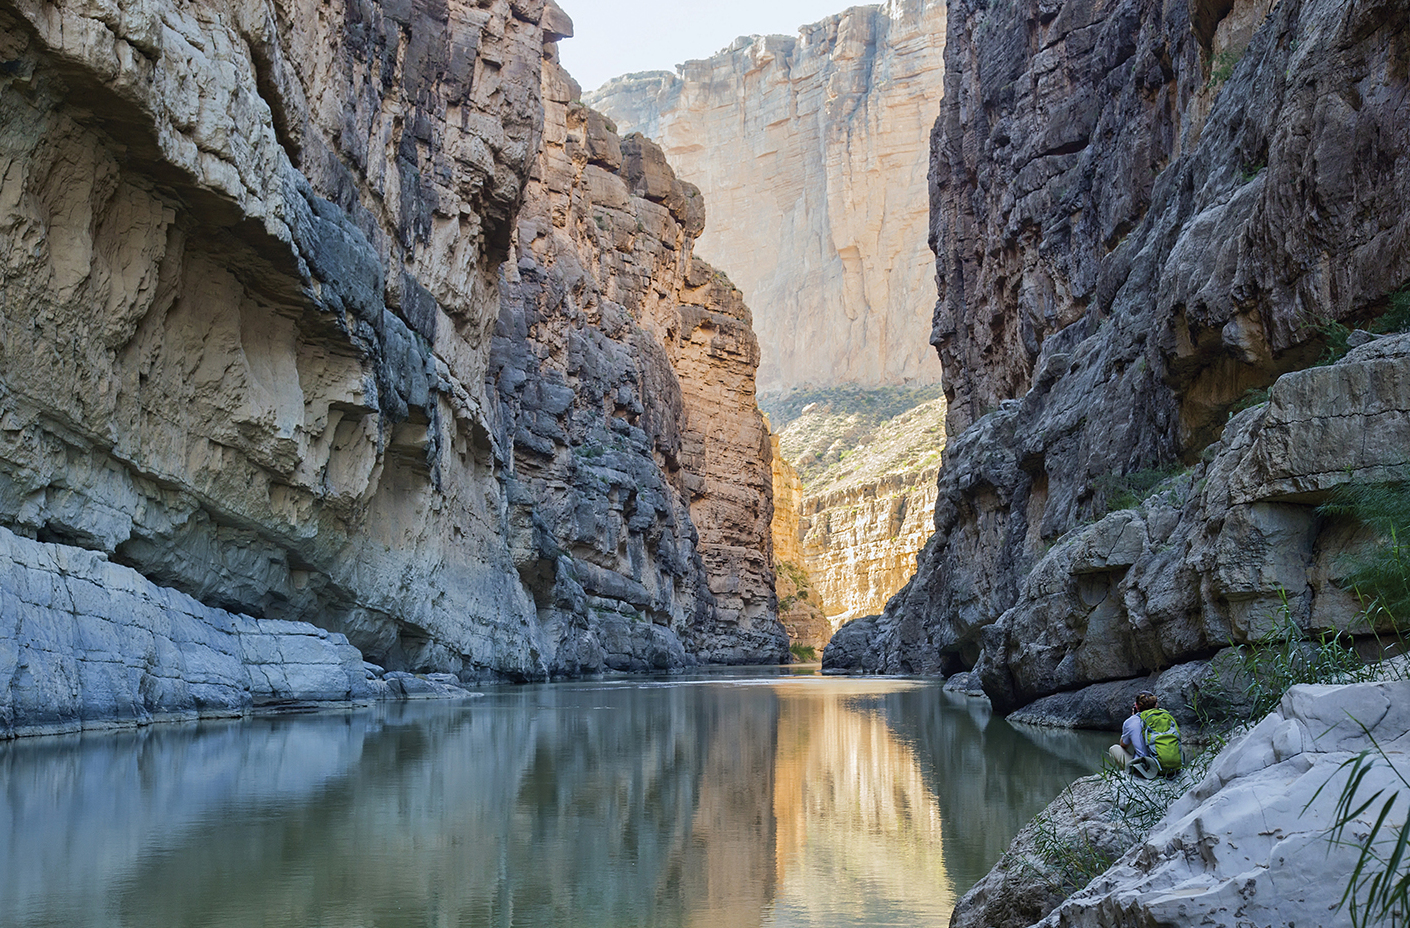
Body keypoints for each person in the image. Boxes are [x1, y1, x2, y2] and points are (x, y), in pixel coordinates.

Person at [1109, 691, 1159, 773]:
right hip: (1168, 766)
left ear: (1136, 706)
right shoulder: (1167, 718)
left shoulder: (1131, 721)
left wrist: (1133, 718)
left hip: (1148, 770)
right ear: (1156, 705)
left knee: (1114, 749)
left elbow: (1123, 745)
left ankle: (1129, 775)